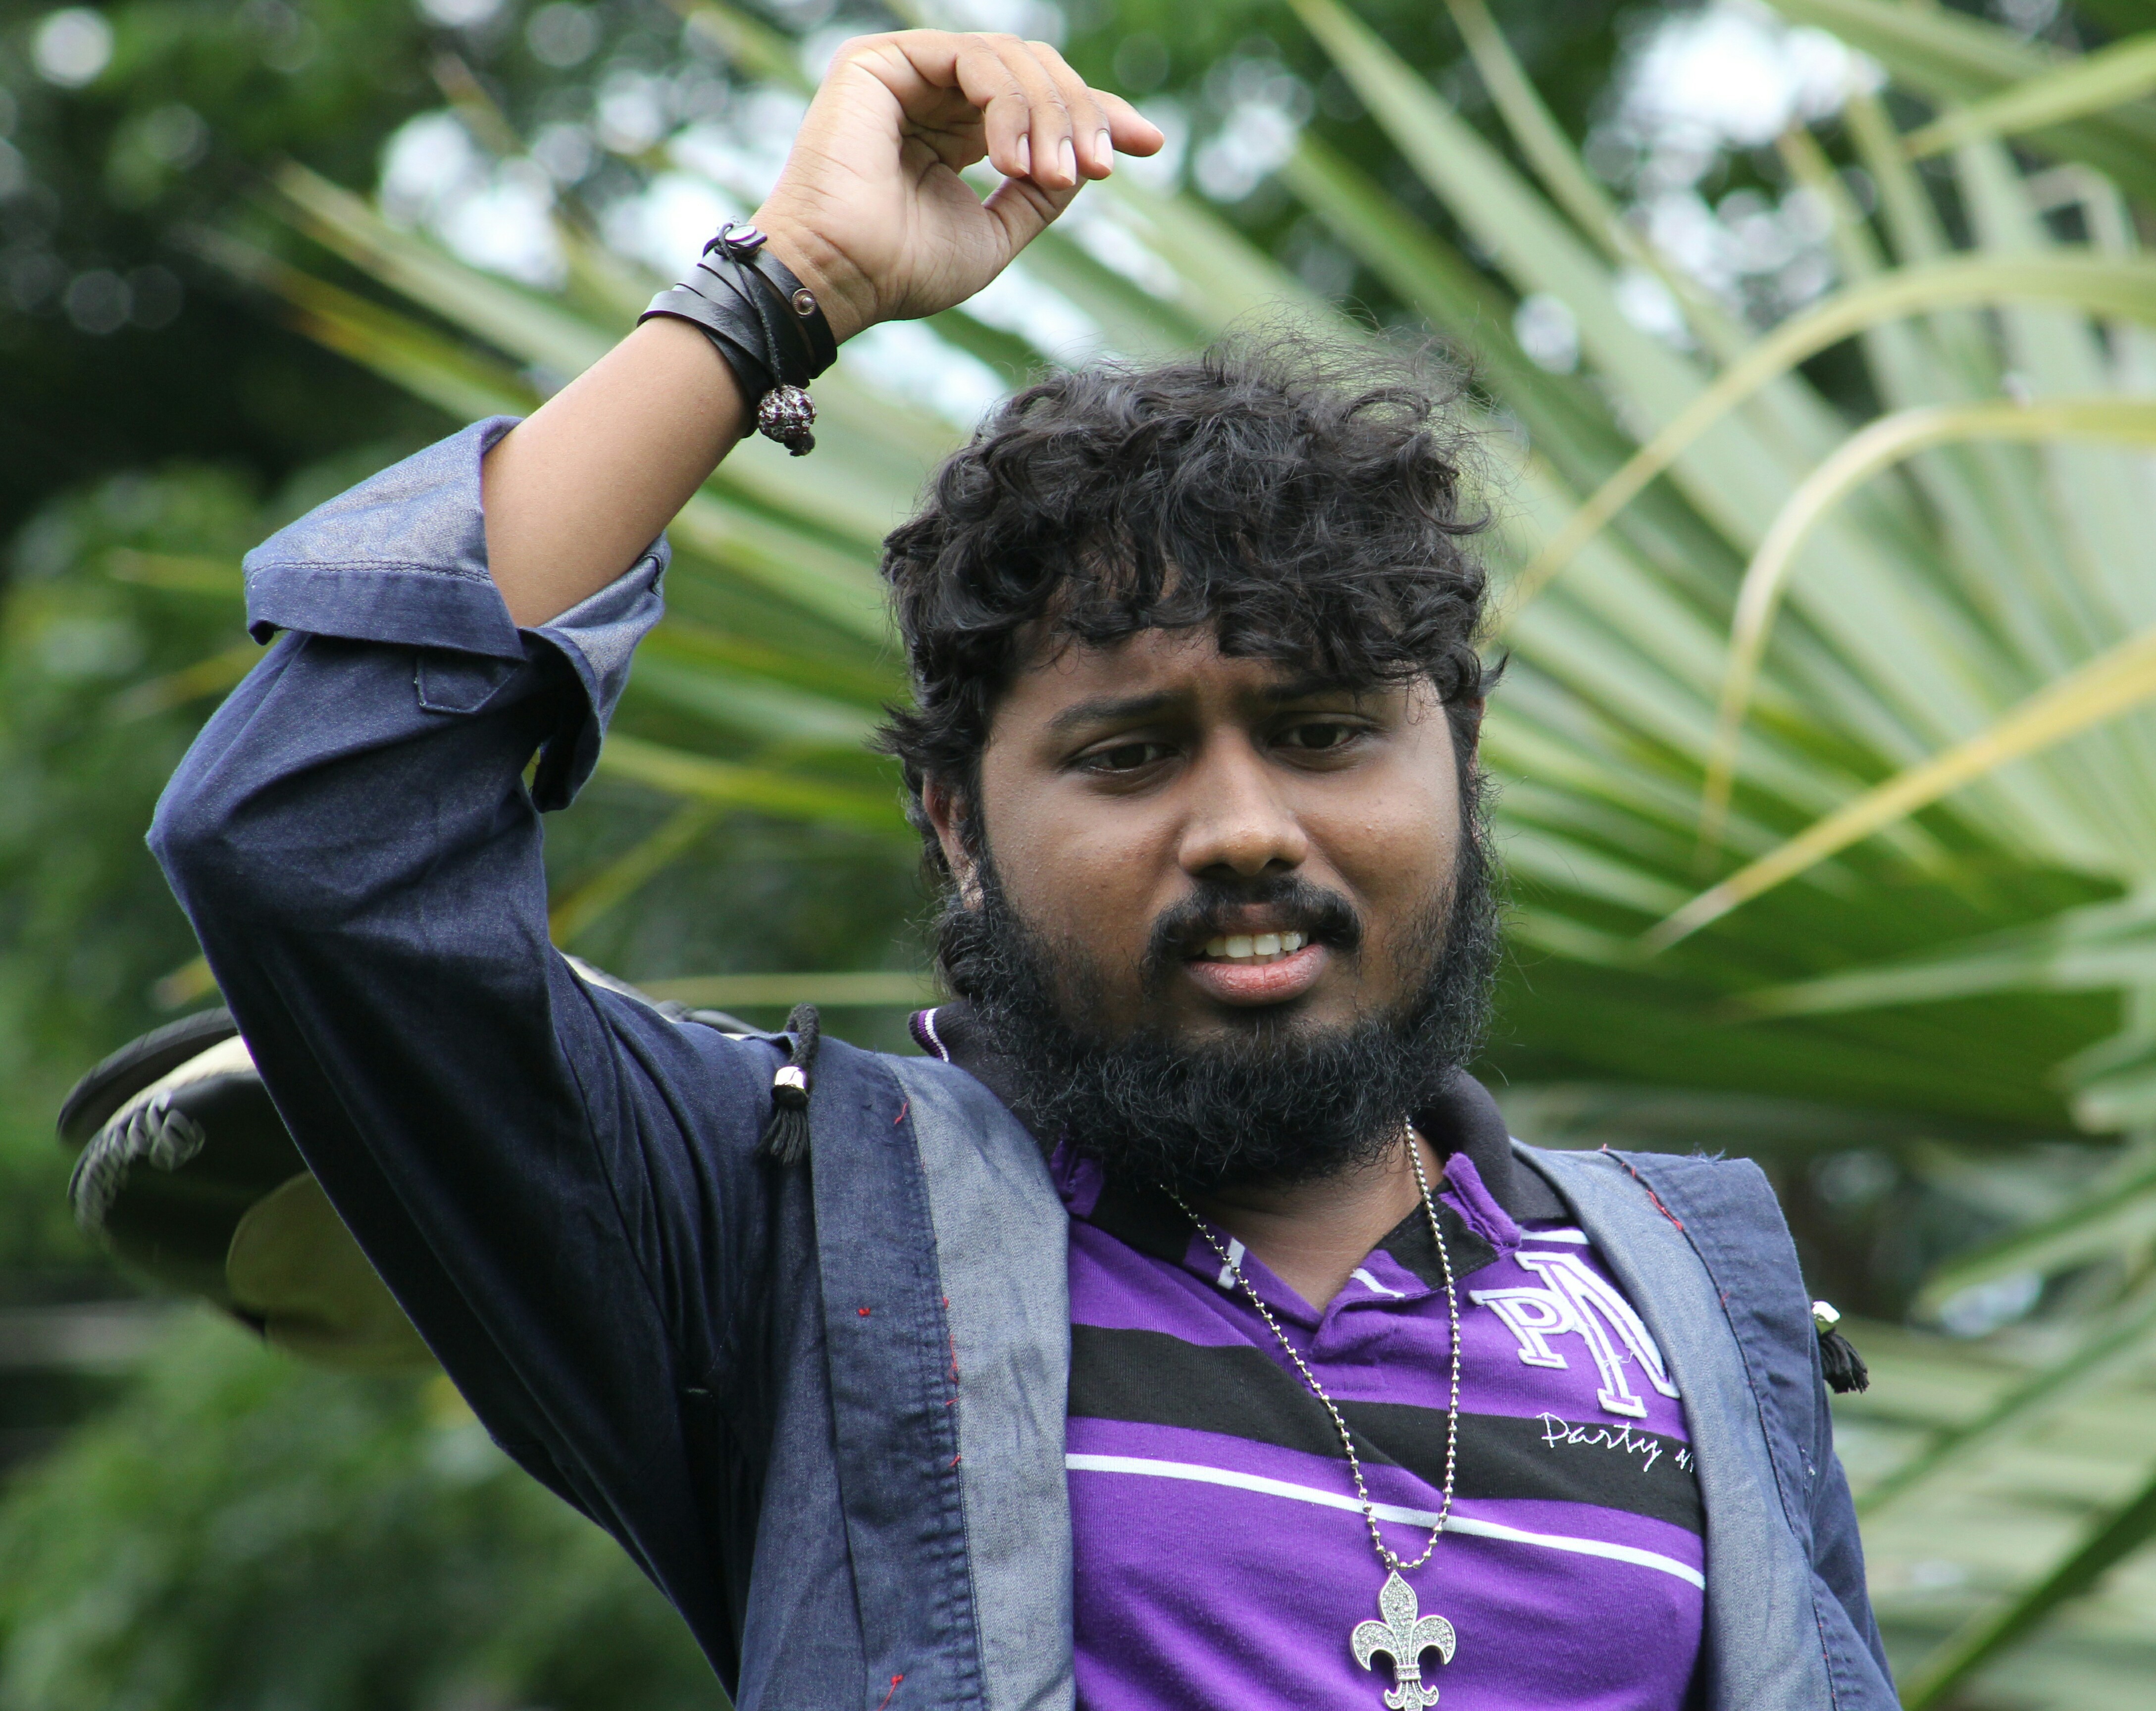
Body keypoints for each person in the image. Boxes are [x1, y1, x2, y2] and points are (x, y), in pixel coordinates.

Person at [147, 27, 1893, 1711]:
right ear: (958, 830)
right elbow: (309, 841)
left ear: (1461, 764)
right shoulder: (783, 1228)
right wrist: (788, 287)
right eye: (1127, 755)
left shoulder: (1677, 1288)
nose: (1244, 828)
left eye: (1324, 732)